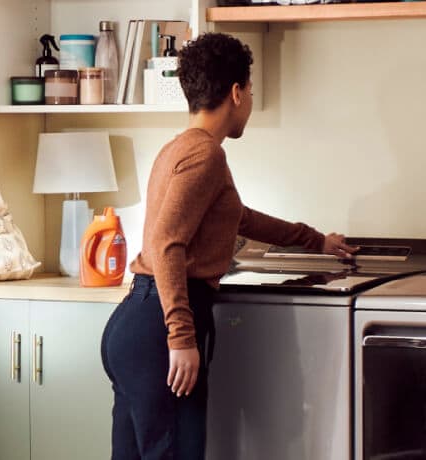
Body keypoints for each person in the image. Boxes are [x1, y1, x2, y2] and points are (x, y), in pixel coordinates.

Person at [100, 32, 358, 460]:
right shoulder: (206, 156)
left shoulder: (179, 149)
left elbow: (241, 218)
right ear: (236, 93)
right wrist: (181, 338)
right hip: (158, 330)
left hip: (136, 324)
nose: (251, 101)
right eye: (251, 90)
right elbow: (166, 244)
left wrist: (318, 241)